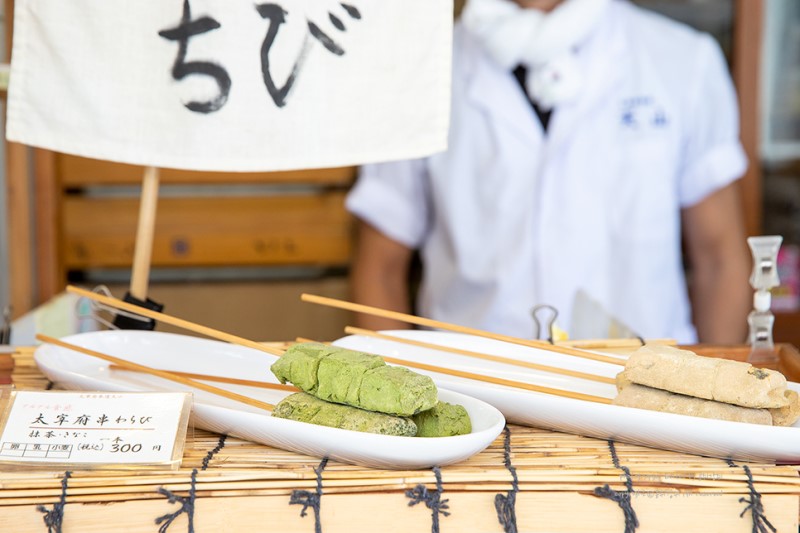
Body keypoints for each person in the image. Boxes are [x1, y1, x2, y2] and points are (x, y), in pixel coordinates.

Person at [345, 0, 751, 344]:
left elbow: (720, 259)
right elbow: (381, 268)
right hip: (474, 394)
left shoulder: (683, 61)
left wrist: (707, 413)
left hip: (647, 398)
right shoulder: (418, 72)